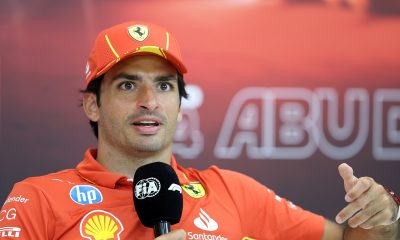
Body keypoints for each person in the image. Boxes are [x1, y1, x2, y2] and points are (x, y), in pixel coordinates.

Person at [0, 21, 399, 240]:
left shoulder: (232, 191)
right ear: (92, 103)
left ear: (178, 103)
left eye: (164, 85)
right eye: (127, 84)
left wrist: (384, 218)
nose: (149, 100)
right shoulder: (38, 199)